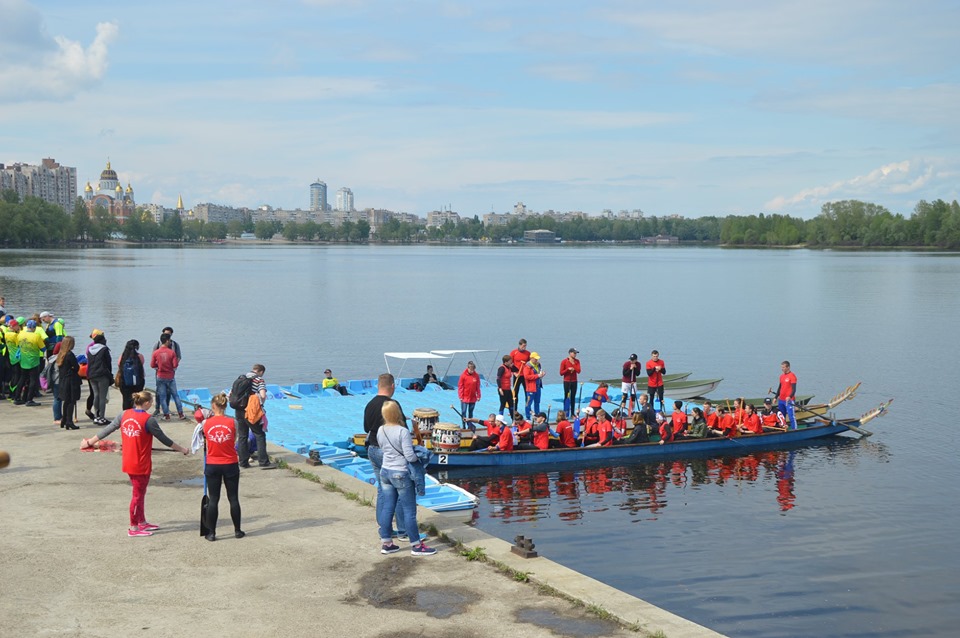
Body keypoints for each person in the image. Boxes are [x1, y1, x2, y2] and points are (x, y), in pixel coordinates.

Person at [80, 391, 189, 536]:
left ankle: (142, 522)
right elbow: (165, 440)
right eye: (151, 402)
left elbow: (108, 430)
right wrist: (182, 449)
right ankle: (133, 527)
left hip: (129, 459)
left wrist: (89, 442)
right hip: (140, 462)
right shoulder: (149, 420)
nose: (152, 404)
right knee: (137, 495)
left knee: (141, 492)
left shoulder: (124, 414)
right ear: (146, 404)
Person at [376, 399, 437, 556]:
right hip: (401, 473)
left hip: (385, 472)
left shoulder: (380, 430)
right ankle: (416, 546)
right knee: (409, 510)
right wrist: (420, 459)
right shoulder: (402, 431)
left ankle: (387, 542)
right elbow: (409, 456)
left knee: (388, 507)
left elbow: (383, 449)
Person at [364, 373, 410, 540]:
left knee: (383, 489)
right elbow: (402, 426)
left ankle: (385, 528)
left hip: (372, 449)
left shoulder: (369, 404)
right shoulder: (392, 404)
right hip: (388, 452)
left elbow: (366, 428)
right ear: (392, 386)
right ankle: (404, 530)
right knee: (398, 489)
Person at [201, 392, 245, 542]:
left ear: (213, 406)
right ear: (225, 406)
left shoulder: (205, 424)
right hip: (230, 463)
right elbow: (234, 439)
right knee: (233, 498)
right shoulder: (233, 422)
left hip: (212, 463)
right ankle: (238, 530)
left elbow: (204, 439)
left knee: (213, 499)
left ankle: (212, 533)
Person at [234, 364, 274, 469]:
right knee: (259, 434)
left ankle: (243, 462)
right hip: (251, 411)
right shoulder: (259, 380)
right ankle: (263, 462)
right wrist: (260, 405)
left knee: (242, 436)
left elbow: (231, 394)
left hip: (239, 410)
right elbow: (263, 395)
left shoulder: (241, 378)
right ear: (261, 372)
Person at [150, 334, 185, 421]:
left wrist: (158, 367)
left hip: (160, 376)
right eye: (169, 341)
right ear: (166, 341)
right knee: (175, 395)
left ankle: (166, 415)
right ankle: (180, 414)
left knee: (162, 396)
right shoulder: (171, 352)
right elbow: (175, 365)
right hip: (170, 376)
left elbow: (152, 365)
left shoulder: (156, 352)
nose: (170, 342)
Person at [16, 319, 46, 406]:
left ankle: (17, 398)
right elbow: (43, 349)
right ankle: (29, 399)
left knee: (22, 379)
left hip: (23, 360)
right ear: (34, 328)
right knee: (33, 380)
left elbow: (18, 345)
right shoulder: (36, 336)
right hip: (33, 361)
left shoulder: (20, 335)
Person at [86, 331, 112, 424]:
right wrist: (110, 375)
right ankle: (102, 417)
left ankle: (96, 417)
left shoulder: (90, 349)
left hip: (91, 375)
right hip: (102, 375)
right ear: (102, 341)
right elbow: (108, 363)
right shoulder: (104, 349)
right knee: (102, 397)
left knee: (96, 395)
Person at [57, 337, 81, 430]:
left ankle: (64, 420)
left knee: (66, 401)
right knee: (71, 401)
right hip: (71, 380)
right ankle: (69, 421)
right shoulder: (70, 354)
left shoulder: (61, 354)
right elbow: (76, 367)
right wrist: (73, 368)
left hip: (63, 380)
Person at [116, 340, 146, 410]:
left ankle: (126, 415)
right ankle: (137, 414)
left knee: (126, 399)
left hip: (125, 382)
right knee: (137, 399)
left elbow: (119, 366)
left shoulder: (122, 357)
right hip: (138, 381)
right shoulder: (140, 356)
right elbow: (142, 364)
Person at [772, 360, 798, 429]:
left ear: (788, 367)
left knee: (791, 416)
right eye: (782, 367)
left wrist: (790, 397)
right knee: (782, 416)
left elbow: (794, 389)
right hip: (781, 400)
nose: (782, 369)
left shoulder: (792, 376)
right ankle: (783, 429)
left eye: (783, 367)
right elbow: (779, 387)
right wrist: (775, 397)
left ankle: (794, 430)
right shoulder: (781, 376)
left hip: (789, 400)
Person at [41, 343, 62, 425]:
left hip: (53, 381)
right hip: (58, 381)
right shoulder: (58, 359)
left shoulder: (51, 359)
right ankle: (57, 418)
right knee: (57, 399)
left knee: (57, 399)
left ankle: (58, 416)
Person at [522, 352, 545, 419]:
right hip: (531, 388)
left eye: (537, 359)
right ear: (531, 358)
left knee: (537, 402)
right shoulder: (527, 367)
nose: (536, 360)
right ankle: (528, 417)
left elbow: (539, 373)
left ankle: (537, 416)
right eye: (535, 359)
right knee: (528, 403)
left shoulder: (538, 365)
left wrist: (542, 374)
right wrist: (537, 376)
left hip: (538, 387)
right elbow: (526, 377)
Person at [509, 339, 530, 408]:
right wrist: (514, 373)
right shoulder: (513, 352)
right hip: (517, 375)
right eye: (523, 346)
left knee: (527, 392)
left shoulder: (528, 353)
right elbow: (510, 364)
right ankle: (514, 409)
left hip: (525, 375)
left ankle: (528, 407)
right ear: (520, 345)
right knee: (515, 392)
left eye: (525, 346)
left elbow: (530, 363)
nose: (524, 347)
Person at [559, 348, 580, 414]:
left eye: (576, 353)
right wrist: (567, 369)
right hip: (567, 381)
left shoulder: (577, 361)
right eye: (574, 353)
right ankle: (565, 412)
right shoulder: (564, 361)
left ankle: (572, 413)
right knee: (566, 396)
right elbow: (561, 373)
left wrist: (573, 364)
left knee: (573, 397)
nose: (575, 354)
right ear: (570, 353)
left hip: (574, 381)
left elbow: (579, 371)